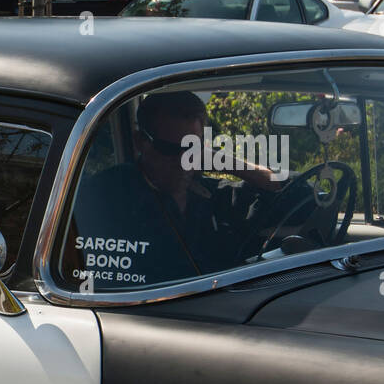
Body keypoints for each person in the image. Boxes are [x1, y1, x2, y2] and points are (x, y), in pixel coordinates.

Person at [69, 90, 283, 289]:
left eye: (192, 148)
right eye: (170, 149)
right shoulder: (105, 196)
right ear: (140, 141)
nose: (183, 161)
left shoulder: (211, 194)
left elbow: (287, 189)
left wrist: (223, 161)